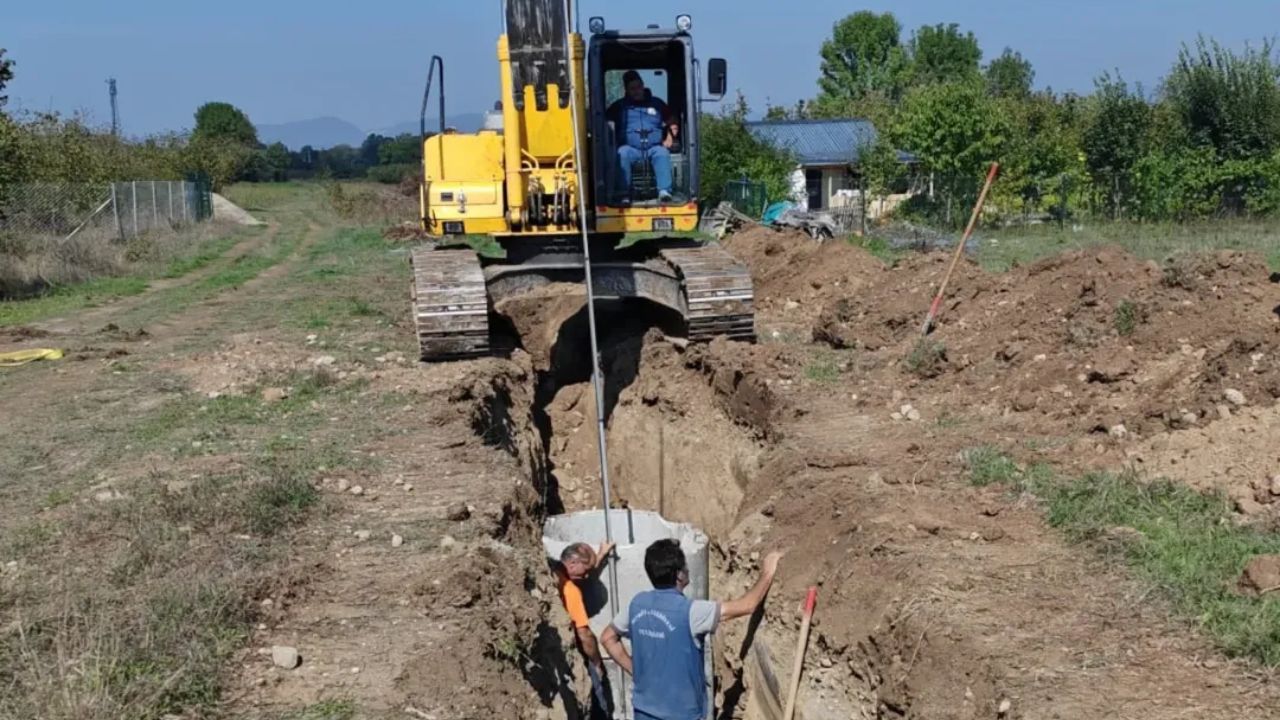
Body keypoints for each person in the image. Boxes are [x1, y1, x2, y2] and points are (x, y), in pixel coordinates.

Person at [601, 539, 783, 720]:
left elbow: (608, 638)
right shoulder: (691, 612)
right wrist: (767, 572)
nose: (688, 570)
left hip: (643, 711)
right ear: (679, 575)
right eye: (685, 566)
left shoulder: (636, 604)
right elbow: (748, 605)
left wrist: (636, 671)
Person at [555, 541, 615, 715]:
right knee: (599, 701)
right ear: (572, 563)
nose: (588, 576)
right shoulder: (571, 591)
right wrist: (597, 663)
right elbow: (584, 634)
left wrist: (601, 555)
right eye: (586, 570)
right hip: (575, 654)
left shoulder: (553, 572)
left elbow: (584, 574)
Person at [606, 69, 679, 204]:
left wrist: (669, 136)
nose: (637, 91)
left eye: (639, 87)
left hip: (654, 147)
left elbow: (672, 120)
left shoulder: (656, 103)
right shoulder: (620, 106)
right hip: (631, 148)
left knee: (662, 153)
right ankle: (624, 194)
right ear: (627, 90)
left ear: (643, 85)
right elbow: (604, 121)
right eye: (632, 88)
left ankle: (664, 192)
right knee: (622, 153)